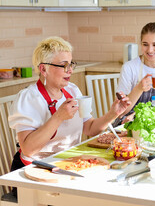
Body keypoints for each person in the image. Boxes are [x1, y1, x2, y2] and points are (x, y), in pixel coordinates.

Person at [8, 36, 131, 196]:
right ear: (43, 69)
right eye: (63, 65)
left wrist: (113, 113)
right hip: (35, 171)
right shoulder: (28, 98)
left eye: (71, 64)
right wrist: (58, 117)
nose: (70, 70)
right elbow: (28, 149)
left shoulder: (73, 91)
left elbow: (90, 128)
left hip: (67, 165)